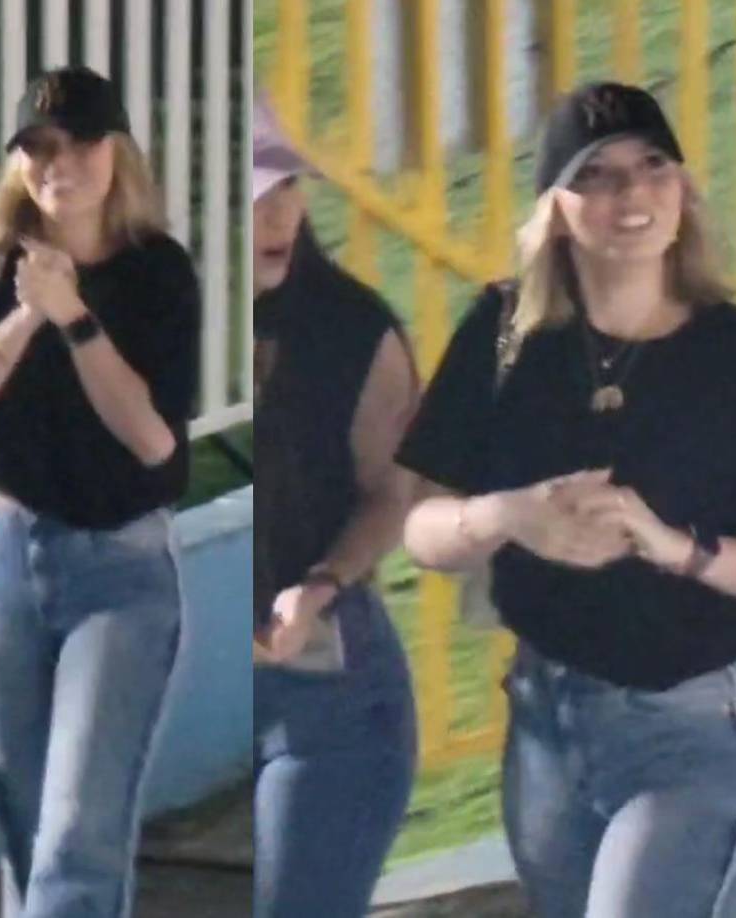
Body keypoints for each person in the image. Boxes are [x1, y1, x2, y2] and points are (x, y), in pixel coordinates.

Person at [398, 82, 736, 918]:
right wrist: (507, 516)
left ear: (683, 190)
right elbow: (421, 528)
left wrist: (676, 547)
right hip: (544, 733)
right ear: (556, 210)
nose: (631, 192)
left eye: (653, 165)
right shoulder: (505, 332)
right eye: (595, 174)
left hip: (692, 734)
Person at [0, 66, 199, 917]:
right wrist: (25, 314)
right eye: (37, 147)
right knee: (29, 836)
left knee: (77, 842)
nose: (57, 164)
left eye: (79, 143)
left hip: (120, 573)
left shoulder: (157, 271)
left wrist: (74, 316)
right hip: (3, 560)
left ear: (117, 152)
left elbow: (152, 439)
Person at [252, 97, 418, 918]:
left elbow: (394, 491)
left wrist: (321, 583)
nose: (277, 212)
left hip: (322, 692)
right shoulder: (153, 317)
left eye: (287, 185)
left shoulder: (352, 327)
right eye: (253, 196)